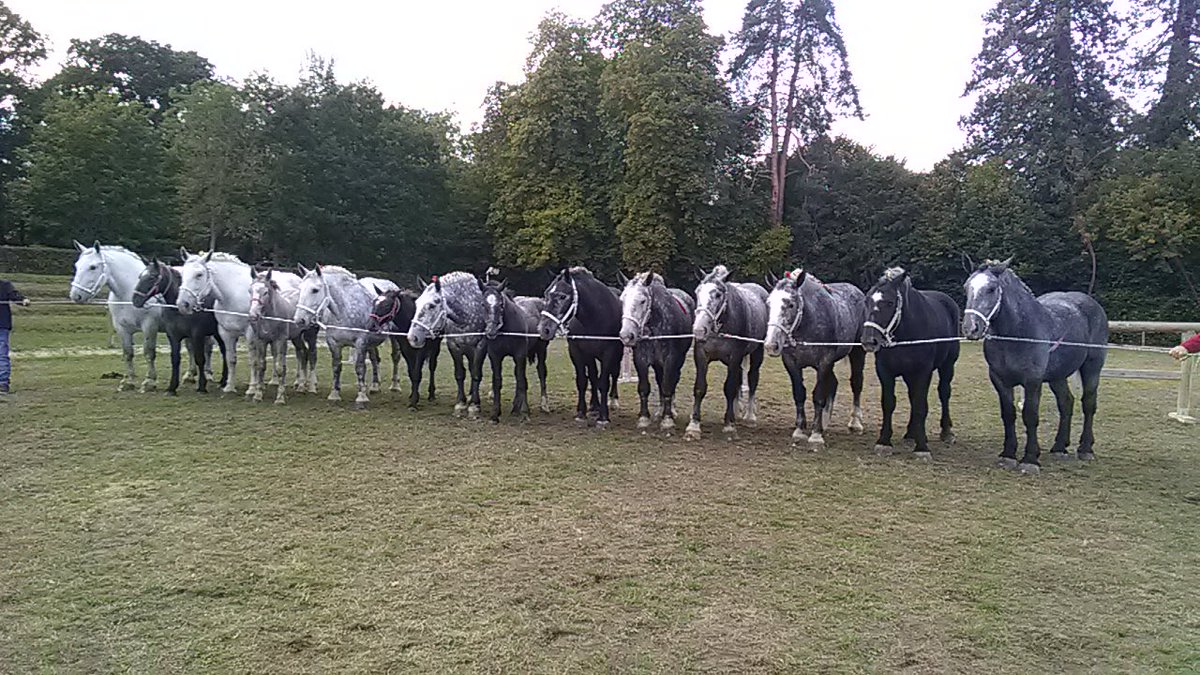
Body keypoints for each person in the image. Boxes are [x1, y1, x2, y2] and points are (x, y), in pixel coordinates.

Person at [0, 277, 29, 397]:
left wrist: (23, 300)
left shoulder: (4, 285)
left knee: (1, 354)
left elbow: (14, 295)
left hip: (1, 325)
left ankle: (2, 383)